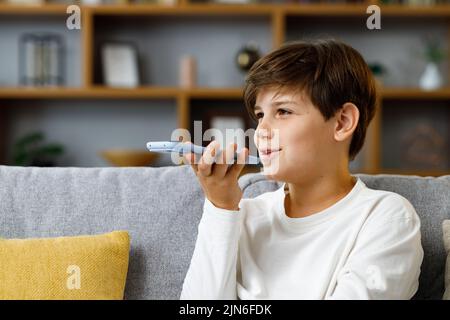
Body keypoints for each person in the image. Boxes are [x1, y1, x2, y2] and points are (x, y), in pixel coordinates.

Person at [180, 39, 423, 299]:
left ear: (342, 122)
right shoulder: (243, 216)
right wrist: (220, 209)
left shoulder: (386, 218)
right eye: (260, 115)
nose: (261, 131)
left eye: (283, 111)